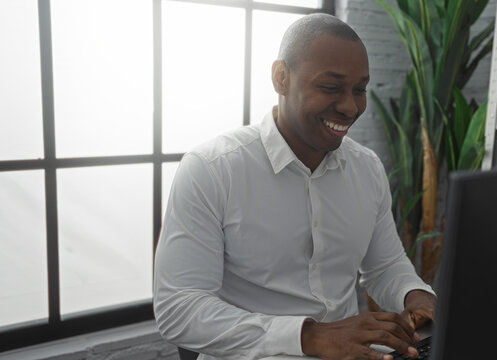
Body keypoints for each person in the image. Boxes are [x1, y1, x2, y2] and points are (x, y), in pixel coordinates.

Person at [153, 13, 436, 360]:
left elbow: (384, 265)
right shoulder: (212, 169)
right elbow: (178, 309)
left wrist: (415, 294)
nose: (350, 106)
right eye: (331, 87)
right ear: (281, 78)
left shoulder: (367, 169)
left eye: (359, 90)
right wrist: (310, 337)